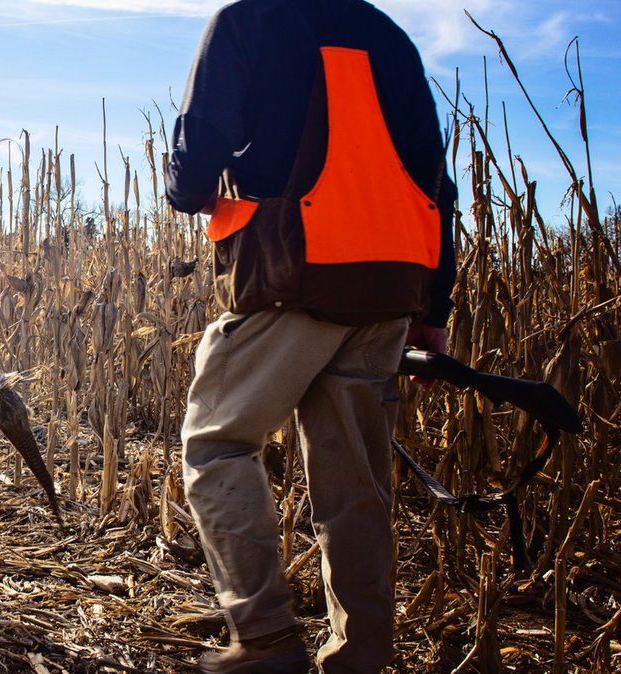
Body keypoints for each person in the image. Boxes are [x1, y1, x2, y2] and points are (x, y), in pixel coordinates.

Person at [165, 0, 456, 672]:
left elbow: (193, 168)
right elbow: (436, 187)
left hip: (293, 280)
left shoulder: (245, 22)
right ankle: (361, 655)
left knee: (216, 445)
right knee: (355, 485)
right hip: (387, 292)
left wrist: (189, 184)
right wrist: (433, 309)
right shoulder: (391, 38)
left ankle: (264, 639)